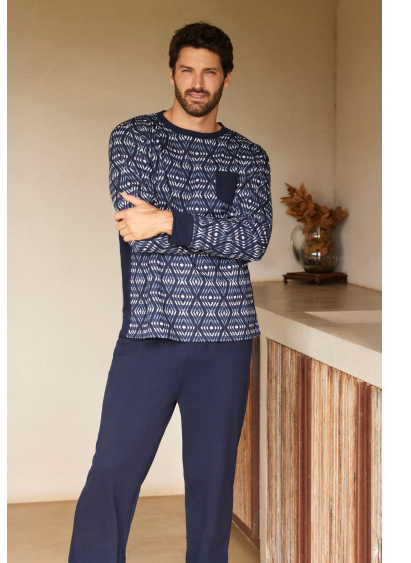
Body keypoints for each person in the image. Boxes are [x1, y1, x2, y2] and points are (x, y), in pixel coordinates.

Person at [68, 21, 272, 563]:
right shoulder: (134, 137)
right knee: (113, 469)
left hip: (227, 340)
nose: (197, 83)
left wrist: (168, 219)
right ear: (172, 74)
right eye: (187, 70)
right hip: (151, 332)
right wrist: (190, 227)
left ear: (227, 79)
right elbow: (135, 226)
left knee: (212, 480)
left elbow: (253, 240)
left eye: (209, 72)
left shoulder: (249, 156)